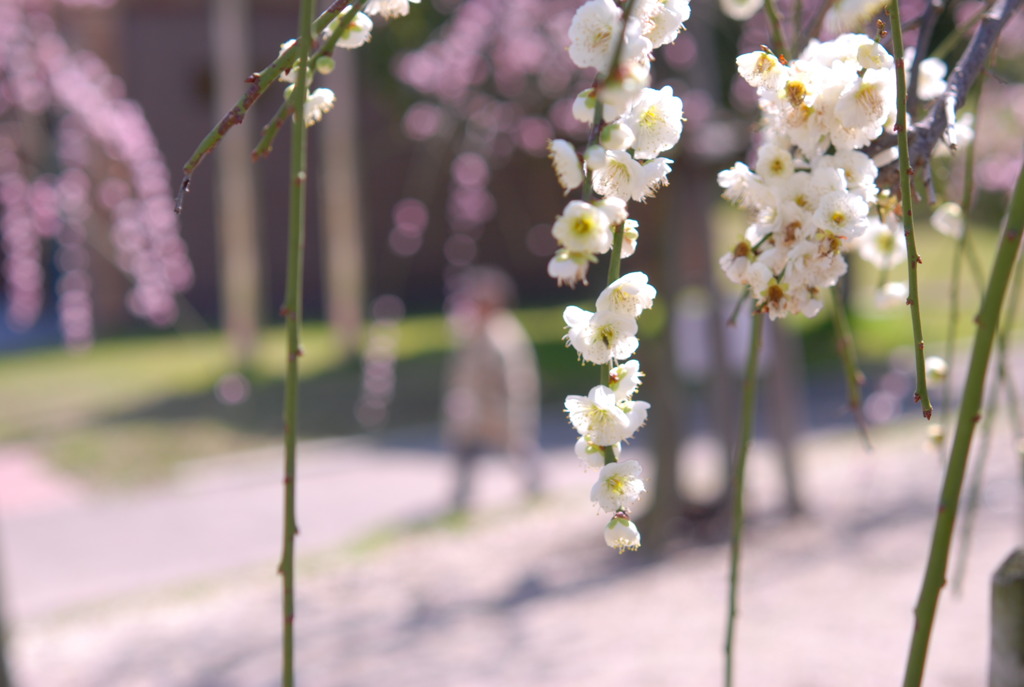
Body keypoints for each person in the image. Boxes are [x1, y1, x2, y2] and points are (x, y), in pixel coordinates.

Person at [441, 266, 541, 512]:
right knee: (466, 453)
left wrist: (514, 411)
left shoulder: (504, 334)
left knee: (519, 448)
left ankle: (535, 489)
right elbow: (463, 369)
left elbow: (516, 379)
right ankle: (460, 501)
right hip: (477, 411)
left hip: (499, 409)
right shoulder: (476, 330)